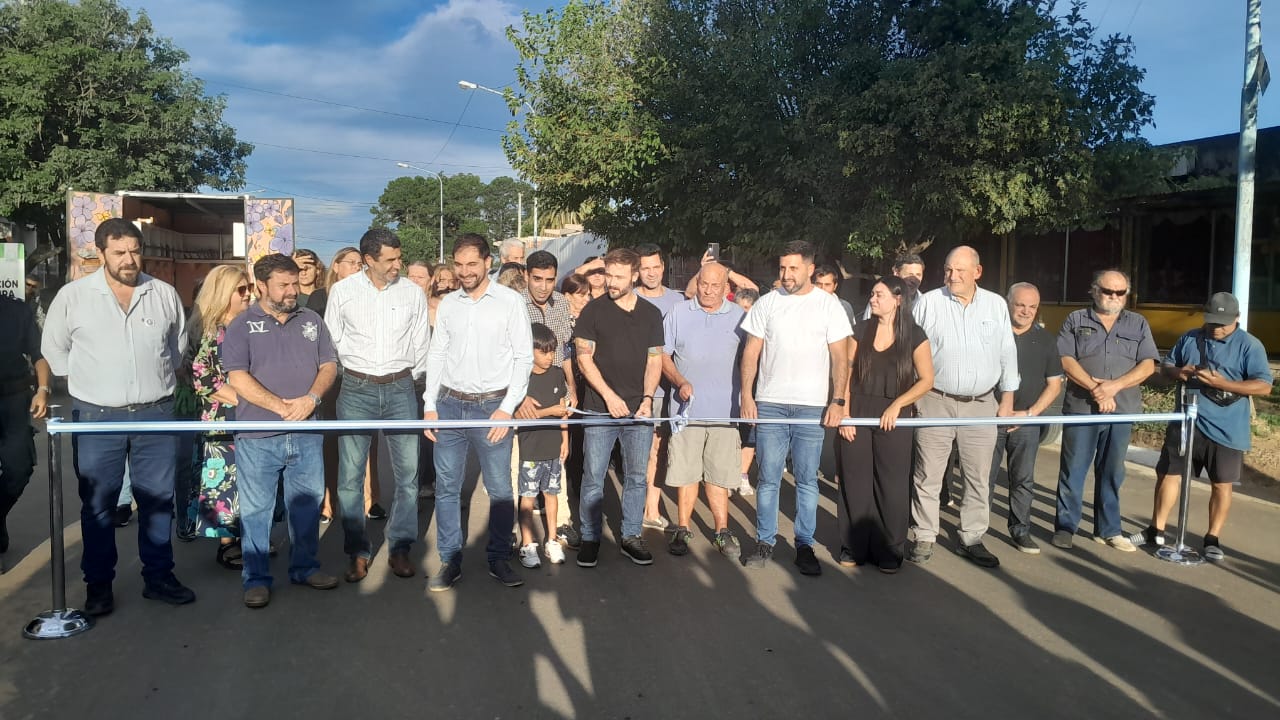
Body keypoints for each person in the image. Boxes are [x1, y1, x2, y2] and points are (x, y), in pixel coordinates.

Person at [42, 218, 195, 615]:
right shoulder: (73, 297)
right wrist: (92, 381)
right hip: (97, 417)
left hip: (155, 414)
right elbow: (55, 351)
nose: (129, 260)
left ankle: (159, 577)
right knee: (98, 504)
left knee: (158, 499)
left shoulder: (162, 294)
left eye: (135, 251)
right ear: (100, 253)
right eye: (119, 252)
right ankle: (98, 585)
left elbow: (176, 348)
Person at [223, 253, 341, 608]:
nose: (292, 291)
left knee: (306, 506)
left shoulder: (312, 320)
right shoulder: (242, 325)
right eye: (283, 285)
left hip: (306, 432)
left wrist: (311, 399)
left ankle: (305, 568)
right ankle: (256, 579)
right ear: (261, 285)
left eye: (294, 283)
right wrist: (280, 407)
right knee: (257, 511)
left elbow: (329, 365)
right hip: (258, 436)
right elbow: (237, 376)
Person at [422, 234, 533, 591]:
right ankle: (450, 560)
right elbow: (437, 354)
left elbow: (524, 357)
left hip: (492, 408)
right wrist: (429, 405)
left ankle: (498, 557)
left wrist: (506, 409)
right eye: (459, 264)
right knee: (447, 487)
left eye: (472, 264)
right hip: (449, 406)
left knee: (499, 487)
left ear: (488, 263)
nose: (465, 271)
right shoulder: (449, 304)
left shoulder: (510, 302)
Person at [740, 240, 853, 576]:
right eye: (782, 267)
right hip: (770, 403)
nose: (786, 274)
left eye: (793, 268)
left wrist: (838, 400)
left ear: (809, 268)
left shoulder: (828, 305)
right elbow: (751, 352)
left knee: (806, 480)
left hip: (811, 407)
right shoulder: (767, 303)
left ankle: (804, 545)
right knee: (768, 478)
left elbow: (841, 357)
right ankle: (765, 541)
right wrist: (747, 395)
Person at [1132, 292, 1272, 561]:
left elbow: (1264, 385)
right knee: (1168, 474)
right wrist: (1179, 372)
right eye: (1211, 321)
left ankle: (1212, 538)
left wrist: (1223, 384)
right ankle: (1156, 530)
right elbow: (1167, 366)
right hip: (1186, 422)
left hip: (1227, 428)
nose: (1216, 328)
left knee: (1221, 483)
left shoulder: (1249, 346)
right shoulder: (1190, 337)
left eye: (1222, 323)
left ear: (1237, 318)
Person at [324, 229, 430, 583]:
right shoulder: (343, 292)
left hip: (401, 388)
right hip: (356, 389)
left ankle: (400, 546)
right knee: (350, 478)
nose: (398, 265)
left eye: (399, 257)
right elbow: (331, 341)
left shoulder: (412, 293)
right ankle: (357, 551)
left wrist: (409, 379)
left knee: (408, 475)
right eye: (390, 259)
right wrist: (352, 376)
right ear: (369, 260)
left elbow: (421, 342)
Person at [908, 246, 1018, 569]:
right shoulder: (928, 303)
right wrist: (912, 397)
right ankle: (924, 535)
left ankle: (971, 538)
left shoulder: (996, 305)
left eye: (959, 271)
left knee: (978, 477)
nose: (952, 276)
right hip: (934, 400)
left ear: (977, 272)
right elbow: (910, 350)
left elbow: (1007, 351)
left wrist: (1008, 398)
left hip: (981, 404)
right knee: (928, 474)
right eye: (948, 270)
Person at [1053, 269, 1157, 551]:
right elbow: (1065, 359)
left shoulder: (1138, 323)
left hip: (1122, 409)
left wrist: (1114, 387)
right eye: (1108, 291)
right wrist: (1095, 389)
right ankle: (1066, 527)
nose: (1114, 296)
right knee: (1073, 470)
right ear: (1094, 290)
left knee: (1112, 471)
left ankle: (1109, 530)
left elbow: (1148, 364)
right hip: (1082, 408)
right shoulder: (1075, 319)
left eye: (1120, 292)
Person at [573, 247, 665, 568]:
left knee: (637, 476)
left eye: (619, 277)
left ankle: (631, 536)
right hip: (599, 409)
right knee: (593, 476)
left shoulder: (651, 314)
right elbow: (584, 359)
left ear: (634, 276)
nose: (611, 282)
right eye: (608, 275)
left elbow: (655, 360)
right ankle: (590, 537)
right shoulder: (593, 311)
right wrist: (609, 397)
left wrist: (648, 398)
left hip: (639, 411)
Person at [836, 276, 933, 572]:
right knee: (855, 482)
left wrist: (897, 404)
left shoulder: (914, 335)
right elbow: (845, 374)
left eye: (879, 295)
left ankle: (890, 549)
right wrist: (845, 414)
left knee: (891, 484)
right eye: (872, 294)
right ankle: (853, 546)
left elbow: (927, 380)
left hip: (894, 416)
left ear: (898, 299)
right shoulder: (860, 330)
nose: (873, 299)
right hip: (857, 412)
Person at [661, 262, 745, 559]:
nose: (707, 291)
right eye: (703, 284)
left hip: (725, 411)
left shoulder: (740, 316)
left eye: (715, 286)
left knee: (719, 475)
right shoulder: (678, 312)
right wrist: (680, 381)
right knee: (686, 473)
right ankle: (683, 528)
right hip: (687, 411)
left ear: (726, 287)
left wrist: (748, 397)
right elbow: (663, 356)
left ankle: (722, 530)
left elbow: (751, 359)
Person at [185, 265, 253, 567]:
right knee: (225, 481)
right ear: (224, 293)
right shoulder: (211, 331)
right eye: (241, 290)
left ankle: (249, 536)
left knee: (250, 478)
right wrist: (248, 399)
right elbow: (203, 378)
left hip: (248, 416)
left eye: (249, 288)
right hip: (222, 420)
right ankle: (227, 543)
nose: (248, 294)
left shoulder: (248, 325)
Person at [988, 283, 1063, 555]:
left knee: (1023, 479)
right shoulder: (992, 334)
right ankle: (975, 530)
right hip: (990, 418)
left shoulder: (1046, 340)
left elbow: (1054, 384)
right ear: (1008, 303)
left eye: (1032, 306)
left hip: (1026, 422)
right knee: (983, 477)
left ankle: (1020, 530)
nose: (1026, 311)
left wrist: (1030, 414)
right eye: (1020, 305)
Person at [313, 245, 382, 523]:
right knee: (331, 441)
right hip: (332, 376)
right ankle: (328, 503)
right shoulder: (320, 297)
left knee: (366, 439)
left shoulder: (369, 294)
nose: (357, 267)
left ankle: (370, 500)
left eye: (359, 263)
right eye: (351, 262)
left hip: (362, 375)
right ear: (336, 265)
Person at [518, 250, 580, 549]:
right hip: (523, 394)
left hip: (556, 388)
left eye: (549, 280)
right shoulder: (513, 304)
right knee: (520, 469)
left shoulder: (561, 304)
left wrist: (571, 387)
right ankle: (519, 534)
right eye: (537, 279)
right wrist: (517, 396)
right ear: (526, 276)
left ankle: (561, 525)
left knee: (557, 462)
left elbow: (565, 350)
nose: (543, 286)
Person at [634, 243, 685, 530]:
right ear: (637, 271)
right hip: (638, 389)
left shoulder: (678, 300)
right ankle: (636, 507)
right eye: (645, 268)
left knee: (660, 449)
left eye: (656, 267)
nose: (651, 273)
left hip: (669, 390)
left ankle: (651, 509)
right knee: (640, 450)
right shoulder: (629, 298)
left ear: (663, 267)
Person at [516, 324, 571, 568]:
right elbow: (519, 416)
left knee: (552, 494)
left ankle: (552, 540)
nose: (549, 357)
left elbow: (563, 411)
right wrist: (550, 411)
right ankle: (527, 544)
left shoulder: (558, 374)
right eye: (543, 352)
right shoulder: (521, 378)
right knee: (527, 498)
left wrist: (565, 439)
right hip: (530, 448)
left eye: (552, 351)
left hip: (553, 446)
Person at [0, 294, 49, 555]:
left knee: (19, 469)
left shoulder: (17, 310)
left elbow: (39, 354)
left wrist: (42, 389)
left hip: (13, 401)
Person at [733, 288, 760, 496]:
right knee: (731, 434)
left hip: (754, 390)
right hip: (730, 389)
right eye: (740, 308)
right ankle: (727, 477)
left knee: (750, 434)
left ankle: (742, 475)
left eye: (748, 308)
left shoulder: (760, 333)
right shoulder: (730, 333)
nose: (744, 313)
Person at [862, 253, 925, 320]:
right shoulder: (878, 301)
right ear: (896, 273)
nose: (914, 280)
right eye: (910, 275)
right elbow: (867, 325)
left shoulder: (926, 303)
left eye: (918, 275)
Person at [814, 263, 858, 330]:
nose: (822, 288)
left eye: (827, 285)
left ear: (835, 286)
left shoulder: (845, 308)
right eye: (819, 284)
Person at [428, 263, 457, 330]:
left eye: (451, 281)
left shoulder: (457, 308)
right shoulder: (423, 307)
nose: (447, 285)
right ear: (432, 281)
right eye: (442, 280)